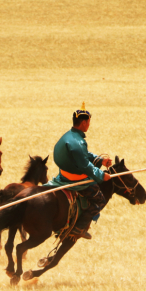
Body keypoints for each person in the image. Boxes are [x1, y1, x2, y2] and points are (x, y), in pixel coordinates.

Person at [50, 103, 112, 240]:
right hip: (75, 179)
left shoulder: (70, 135)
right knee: (100, 200)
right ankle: (78, 228)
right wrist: (102, 175)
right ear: (83, 122)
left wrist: (100, 160)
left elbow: (83, 155)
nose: (89, 124)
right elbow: (85, 165)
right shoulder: (78, 142)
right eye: (89, 122)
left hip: (62, 174)